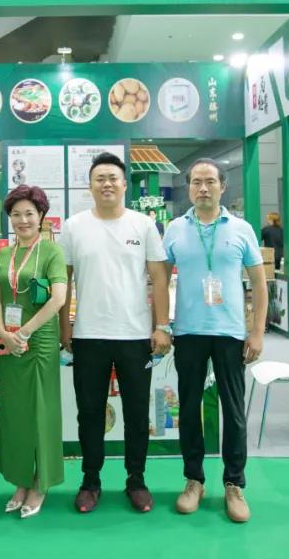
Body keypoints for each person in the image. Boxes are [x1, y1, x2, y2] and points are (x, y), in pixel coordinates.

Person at [58, 152, 170, 514]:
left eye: (113, 178)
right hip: (88, 335)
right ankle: (90, 481)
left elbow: (159, 278)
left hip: (135, 336)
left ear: (124, 185)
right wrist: (65, 327)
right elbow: (64, 281)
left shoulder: (143, 225)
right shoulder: (74, 227)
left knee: (137, 413)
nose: (107, 184)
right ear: (90, 186)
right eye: (99, 178)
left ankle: (136, 481)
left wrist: (161, 326)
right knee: (89, 413)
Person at [163, 159, 267, 523]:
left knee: (233, 412)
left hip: (230, 334)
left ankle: (234, 484)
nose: (203, 188)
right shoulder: (175, 229)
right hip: (188, 332)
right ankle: (194, 480)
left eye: (210, 181)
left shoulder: (241, 229)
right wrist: (161, 324)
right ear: (188, 188)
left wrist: (257, 332)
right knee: (189, 409)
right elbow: (159, 280)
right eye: (196, 182)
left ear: (223, 186)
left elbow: (260, 284)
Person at [0, 185, 69, 519]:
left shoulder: (51, 252)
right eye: (16, 214)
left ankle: (41, 483)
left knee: (41, 411)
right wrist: (4, 333)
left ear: (41, 216)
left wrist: (23, 332)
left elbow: (58, 298)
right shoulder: (4, 255)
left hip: (39, 342)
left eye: (29, 214)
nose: (23, 220)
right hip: (10, 342)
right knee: (15, 413)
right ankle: (20, 480)